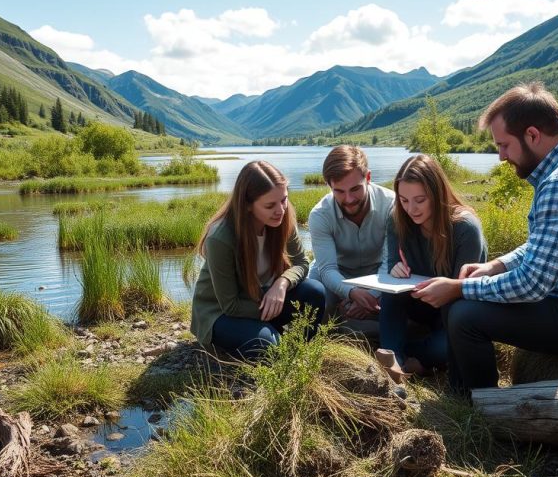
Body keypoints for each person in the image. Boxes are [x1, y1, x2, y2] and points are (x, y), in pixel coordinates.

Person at [408, 82, 558, 393]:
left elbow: (532, 285)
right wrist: (497, 266)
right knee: (462, 299)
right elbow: (545, 245)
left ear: (532, 135)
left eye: (504, 145)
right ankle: (460, 390)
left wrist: (460, 288)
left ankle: (481, 406)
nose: (502, 157)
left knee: (464, 312)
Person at [190, 160, 326, 359]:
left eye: (284, 199)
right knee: (267, 344)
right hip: (219, 313)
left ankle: (296, 354)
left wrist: (282, 283)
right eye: (270, 205)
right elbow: (231, 305)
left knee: (315, 292)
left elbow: (301, 262)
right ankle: (247, 344)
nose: (280, 209)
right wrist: (272, 309)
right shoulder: (220, 238)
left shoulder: (283, 217)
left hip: (259, 298)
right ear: (247, 206)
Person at [378, 153, 487, 378]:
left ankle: (412, 358)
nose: (411, 209)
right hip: (420, 303)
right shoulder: (396, 218)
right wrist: (395, 268)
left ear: (437, 194)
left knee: (446, 346)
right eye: (404, 200)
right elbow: (391, 263)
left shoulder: (465, 228)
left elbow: (463, 291)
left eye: (420, 200)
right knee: (389, 293)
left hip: (456, 310)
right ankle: (395, 364)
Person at [308, 145, 395, 337]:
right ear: (329, 186)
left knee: (398, 309)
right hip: (336, 273)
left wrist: (371, 297)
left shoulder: (391, 205)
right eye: (339, 191)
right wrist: (352, 292)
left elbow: (391, 261)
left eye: (355, 189)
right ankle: (338, 327)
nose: (348, 199)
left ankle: (346, 325)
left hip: (379, 275)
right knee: (312, 300)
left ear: (368, 178)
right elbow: (328, 269)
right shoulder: (320, 215)